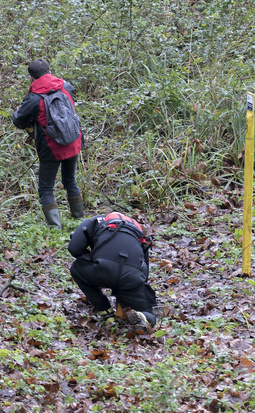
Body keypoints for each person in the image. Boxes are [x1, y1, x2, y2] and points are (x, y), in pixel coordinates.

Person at [12, 58, 83, 229]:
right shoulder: (66, 87)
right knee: (70, 180)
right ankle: (78, 219)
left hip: (50, 147)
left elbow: (18, 121)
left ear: (31, 78)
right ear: (49, 71)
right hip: (73, 141)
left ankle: (55, 228)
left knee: (45, 188)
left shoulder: (34, 98)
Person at [68, 211, 157, 332]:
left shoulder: (95, 221)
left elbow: (74, 248)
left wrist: (92, 258)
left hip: (103, 269)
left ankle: (106, 313)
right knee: (143, 311)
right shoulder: (138, 231)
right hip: (132, 277)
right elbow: (144, 272)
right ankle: (144, 316)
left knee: (76, 269)